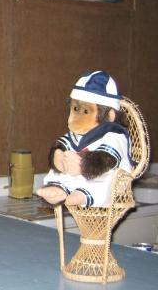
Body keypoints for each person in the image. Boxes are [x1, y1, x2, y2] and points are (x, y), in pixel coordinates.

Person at [36, 71, 132, 208]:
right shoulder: (78, 133)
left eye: (85, 111)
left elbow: (105, 160)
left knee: (107, 180)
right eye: (75, 109)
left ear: (109, 115)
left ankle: (83, 195)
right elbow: (62, 144)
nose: (75, 117)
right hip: (78, 173)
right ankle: (59, 189)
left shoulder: (114, 135)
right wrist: (58, 156)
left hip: (106, 174)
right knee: (59, 173)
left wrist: (82, 166)